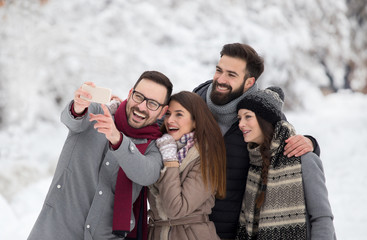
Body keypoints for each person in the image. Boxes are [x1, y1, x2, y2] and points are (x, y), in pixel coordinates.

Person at [193, 43, 321, 239]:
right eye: (219, 70)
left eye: (231, 75)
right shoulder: (192, 105)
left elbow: (283, 143)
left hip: (231, 233)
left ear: (249, 82)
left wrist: (311, 143)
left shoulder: (260, 117)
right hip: (184, 229)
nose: (220, 79)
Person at [28, 71, 173, 240]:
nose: (141, 107)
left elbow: (147, 174)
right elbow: (71, 119)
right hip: (55, 230)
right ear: (130, 93)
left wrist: (118, 140)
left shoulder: (155, 147)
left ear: (163, 112)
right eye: (139, 96)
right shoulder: (97, 112)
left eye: (152, 104)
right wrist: (78, 107)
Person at [235, 86, 336, 240]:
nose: (241, 124)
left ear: (265, 120)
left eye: (247, 116)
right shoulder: (254, 163)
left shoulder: (303, 159)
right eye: (239, 118)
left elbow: (322, 218)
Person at [147, 91, 226, 240]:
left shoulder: (205, 157)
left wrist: (170, 160)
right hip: (156, 233)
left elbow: (175, 209)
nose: (170, 120)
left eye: (179, 114)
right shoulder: (160, 148)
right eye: (168, 114)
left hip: (191, 235)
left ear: (195, 121)